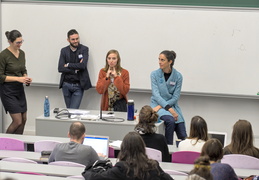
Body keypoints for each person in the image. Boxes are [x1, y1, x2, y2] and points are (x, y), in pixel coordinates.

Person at [82, 131, 173, 180]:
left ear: (123, 149)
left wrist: (87, 171)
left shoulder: (121, 169)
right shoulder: (153, 166)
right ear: (142, 147)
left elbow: (95, 178)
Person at [150, 50, 187, 144]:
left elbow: (175, 97)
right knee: (170, 121)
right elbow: (156, 95)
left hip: (171, 105)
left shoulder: (178, 76)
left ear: (170, 61)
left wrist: (167, 107)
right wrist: (169, 109)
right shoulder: (154, 75)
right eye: (159, 59)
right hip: (157, 105)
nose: (159, 62)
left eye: (162, 60)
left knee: (182, 133)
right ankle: (168, 148)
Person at [0, 30, 32, 134]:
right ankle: (4, 144)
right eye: (18, 42)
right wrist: (18, 79)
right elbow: (1, 76)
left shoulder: (22, 53)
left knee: (23, 120)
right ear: (10, 41)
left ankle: (18, 146)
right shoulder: (3, 55)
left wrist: (26, 78)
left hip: (19, 90)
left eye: (21, 41)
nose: (20, 44)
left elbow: (23, 70)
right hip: (7, 91)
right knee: (17, 121)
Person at [58, 29, 92, 109]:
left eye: (77, 38)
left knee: (73, 111)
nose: (75, 41)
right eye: (73, 39)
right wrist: (75, 69)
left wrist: (69, 64)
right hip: (66, 84)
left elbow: (83, 66)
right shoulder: (64, 51)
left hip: (78, 85)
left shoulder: (84, 49)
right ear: (68, 40)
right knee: (69, 111)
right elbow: (60, 68)